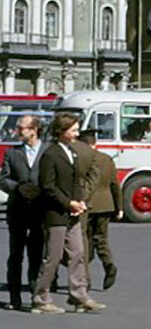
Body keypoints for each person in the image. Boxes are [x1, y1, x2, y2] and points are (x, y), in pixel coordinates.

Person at [31, 112, 102, 313]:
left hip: (73, 211)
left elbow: (75, 181)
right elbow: (48, 186)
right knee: (53, 256)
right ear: (61, 132)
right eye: (73, 130)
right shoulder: (50, 154)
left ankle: (79, 296)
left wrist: (80, 201)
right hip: (55, 213)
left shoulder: (73, 152)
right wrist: (68, 203)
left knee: (78, 253)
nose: (77, 133)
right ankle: (41, 297)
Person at [2, 115, 46, 310]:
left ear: (34, 129)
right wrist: (17, 187)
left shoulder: (48, 152)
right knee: (15, 254)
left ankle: (36, 295)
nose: (18, 131)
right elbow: (3, 178)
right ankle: (14, 296)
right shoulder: (12, 153)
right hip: (18, 209)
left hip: (39, 210)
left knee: (36, 254)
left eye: (21, 128)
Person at [81, 129, 122, 290]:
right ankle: (109, 264)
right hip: (105, 205)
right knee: (101, 238)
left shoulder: (81, 160)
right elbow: (114, 184)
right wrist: (119, 208)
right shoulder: (106, 159)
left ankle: (86, 280)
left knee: (84, 241)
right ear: (95, 143)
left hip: (87, 205)